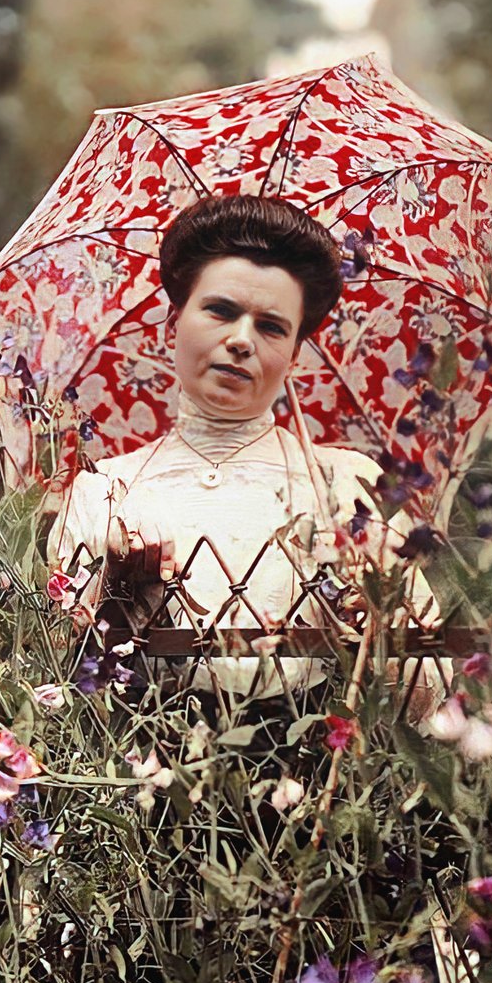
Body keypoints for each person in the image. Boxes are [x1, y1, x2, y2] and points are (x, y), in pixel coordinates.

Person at [47, 194, 443, 705]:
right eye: (220, 311)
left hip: (316, 776)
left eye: (271, 326)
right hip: (134, 775)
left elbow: (431, 695)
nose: (240, 340)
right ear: (172, 325)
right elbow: (50, 688)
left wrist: (376, 626)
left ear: (295, 353)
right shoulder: (106, 494)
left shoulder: (345, 487)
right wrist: (121, 606)